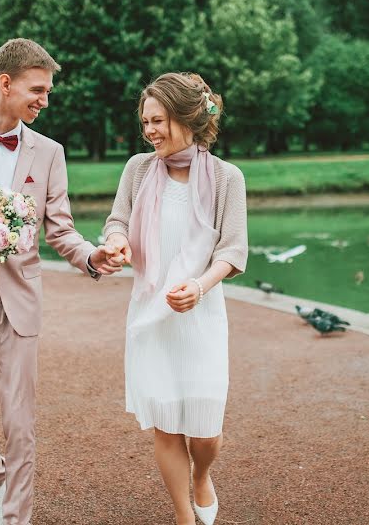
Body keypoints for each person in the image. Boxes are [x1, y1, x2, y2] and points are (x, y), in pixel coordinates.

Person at [0, 38, 122, 525]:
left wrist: (92, 256)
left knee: (20, 424)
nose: (45, 101)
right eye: (38, 89)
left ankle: (15, 517)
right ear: (5, 83)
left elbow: (60, 227)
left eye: (48, 92)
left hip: (21, 300)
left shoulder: (50, 152)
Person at [103, 72, 248, 525]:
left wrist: (200, 287)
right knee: (166, 424)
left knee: (205, 431)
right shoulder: (138, 169)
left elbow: (233, 249)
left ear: (188, 118)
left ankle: (202, 474)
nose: (149, 131)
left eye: (159, 120)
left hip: (201, 317)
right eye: (145, 121)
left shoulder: (227, 177)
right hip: (150, 317)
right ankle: (184, 515)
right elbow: (117, 220)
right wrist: (115, 241)